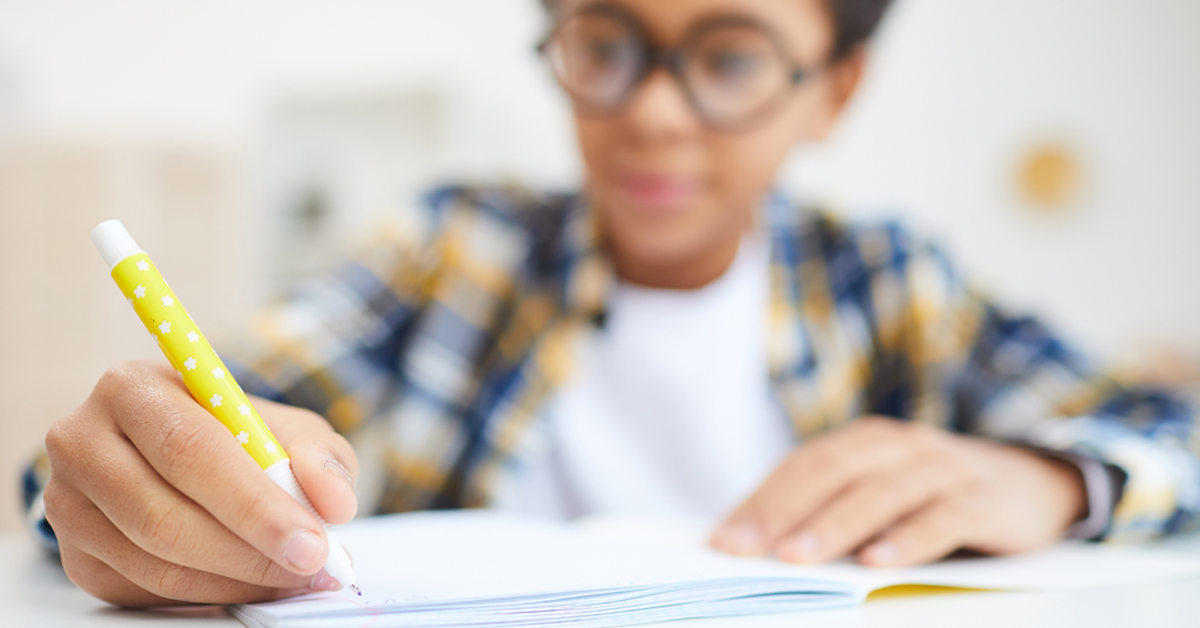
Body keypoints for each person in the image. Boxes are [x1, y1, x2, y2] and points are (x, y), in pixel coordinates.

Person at [25, 0, 1199, 608]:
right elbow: (147, 441)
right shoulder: (453, 249)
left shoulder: (895, 284)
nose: (653, 114)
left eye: (731, 60)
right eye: (607, 45)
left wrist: (1052, 477)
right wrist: (139, 479)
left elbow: (1167, 432)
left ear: (832, 89)